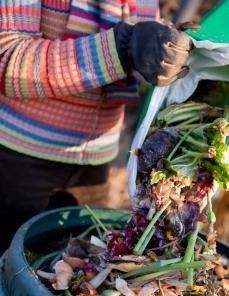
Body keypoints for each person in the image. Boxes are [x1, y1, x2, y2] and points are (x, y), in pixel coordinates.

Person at [0, 0, 191, 252]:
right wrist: (122, 47)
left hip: (96, 166)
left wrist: (159, 52)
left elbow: (135, 62)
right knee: (9, 268)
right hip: (19, 161)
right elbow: (7, 60)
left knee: (69, 275)